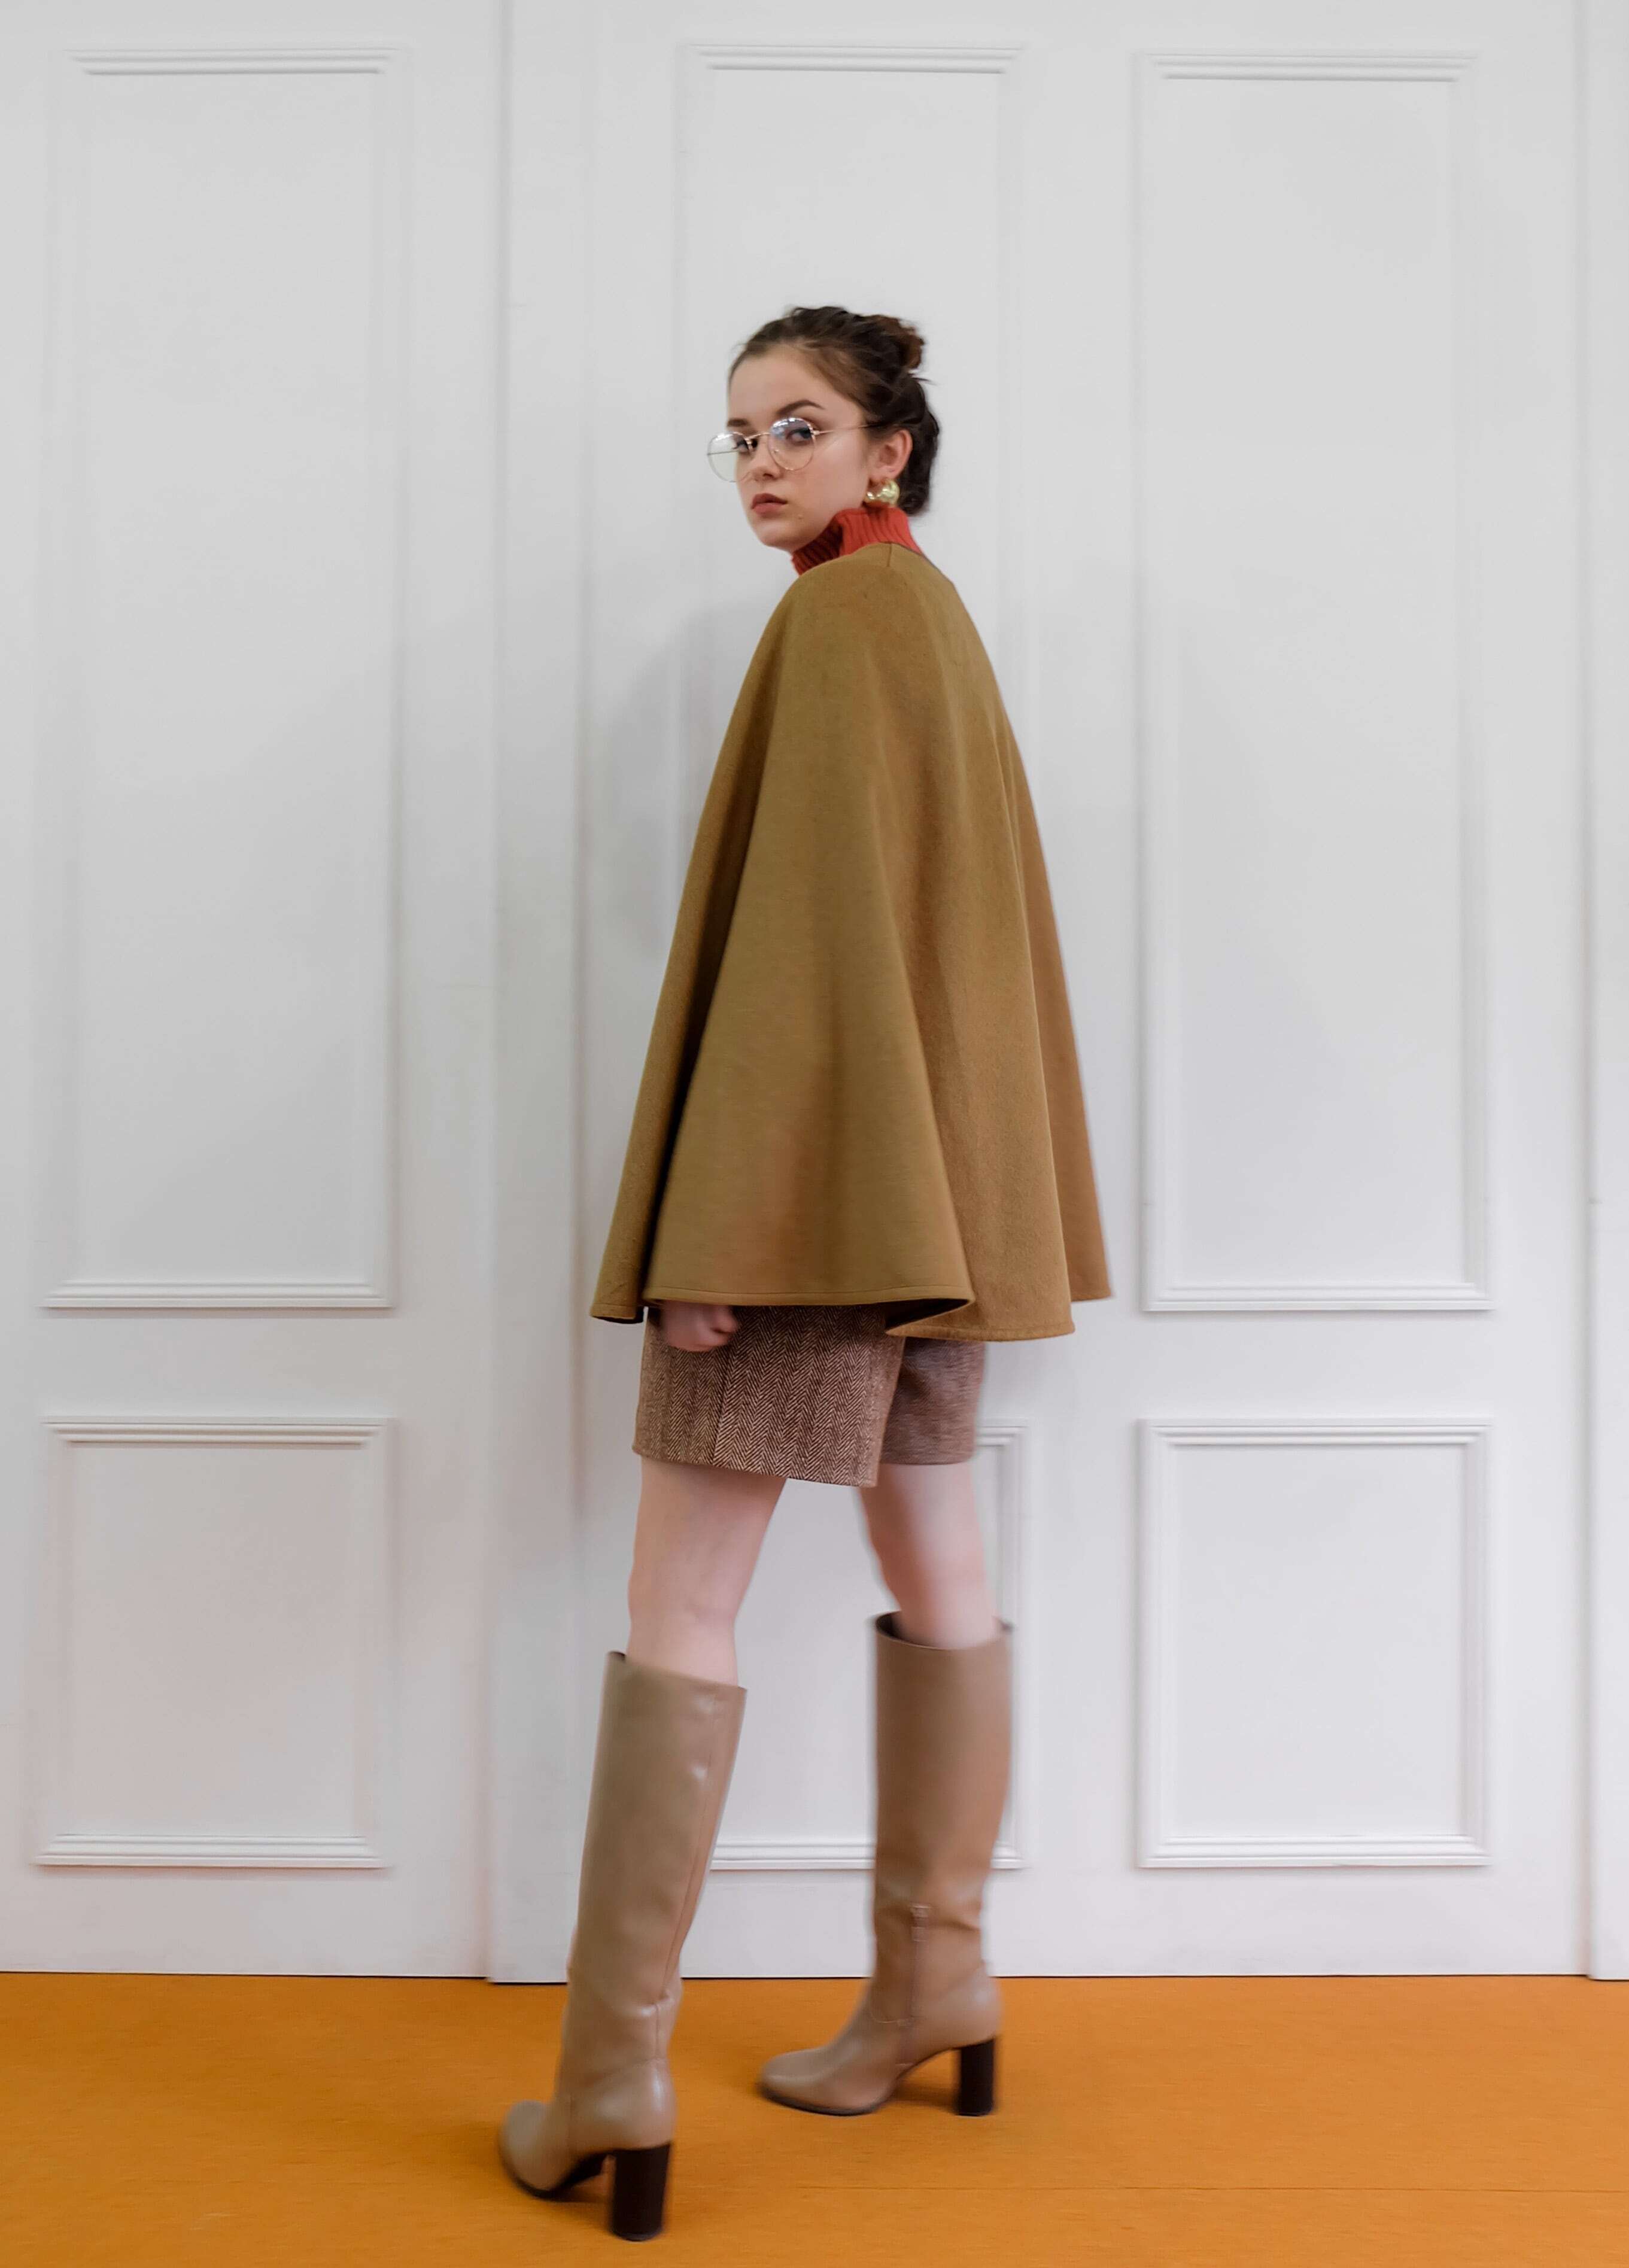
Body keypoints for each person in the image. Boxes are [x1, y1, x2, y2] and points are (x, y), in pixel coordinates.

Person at [498, 305, 1111, 2241]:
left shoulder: (839, 627)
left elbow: (803, 963)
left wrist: (722, 1235)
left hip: (803, 1228)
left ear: (885, 447)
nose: (762, 463)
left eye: (800, 427)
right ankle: (938, 1986)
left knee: (678, 1599)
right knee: (942, 1566)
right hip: (933, 1211)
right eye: (742, 435)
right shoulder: (926, 622)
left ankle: (609, 2082)